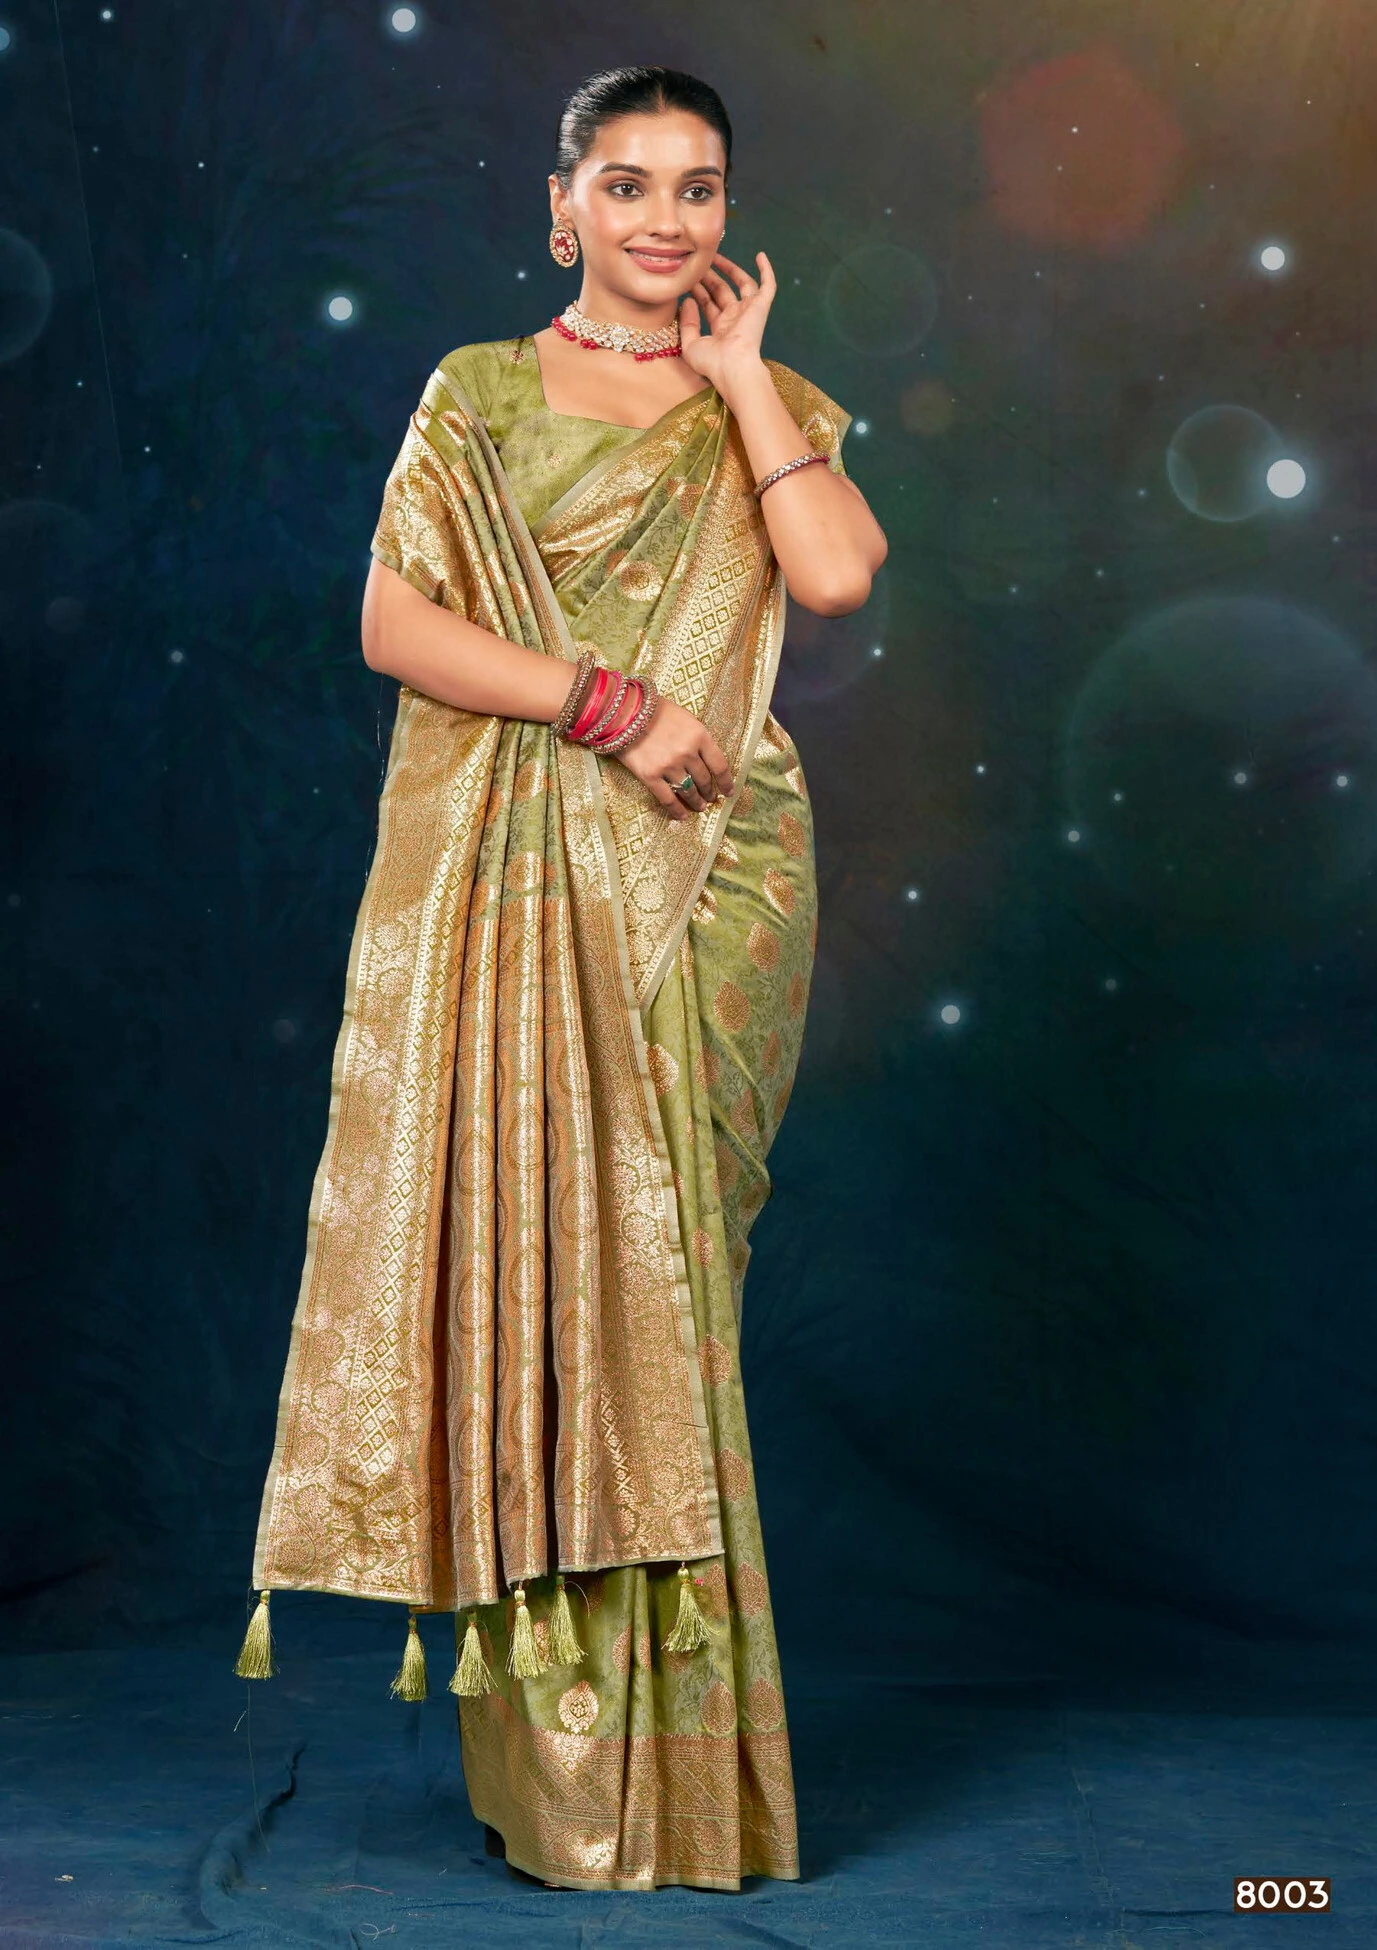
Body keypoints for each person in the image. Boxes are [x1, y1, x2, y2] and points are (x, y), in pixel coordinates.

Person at [236, 64, 886, 1894]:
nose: (665, 219)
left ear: (729, 216)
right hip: (525, 882)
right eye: (627, 183)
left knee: (670, 1303)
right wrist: (614, 702)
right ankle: (580, 1786)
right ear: (561, 208)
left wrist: (742, 378)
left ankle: (691, 1783)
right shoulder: (481, 396)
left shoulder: (763, 404)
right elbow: (396, 622)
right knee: (549, 1278)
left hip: (711, 881)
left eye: (698, 188)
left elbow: (836, 573)